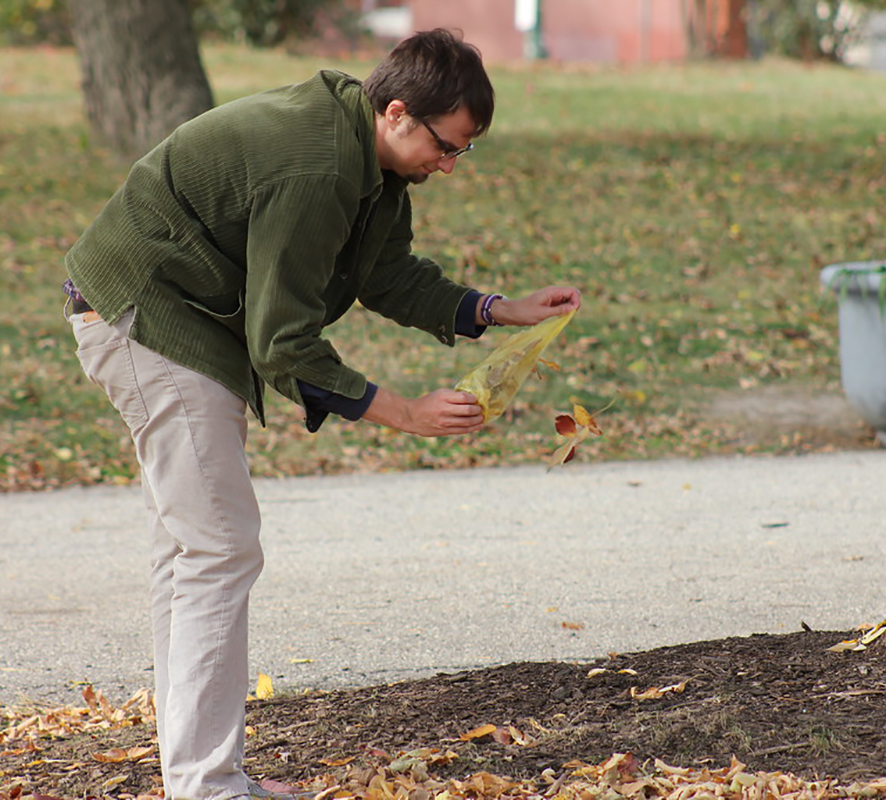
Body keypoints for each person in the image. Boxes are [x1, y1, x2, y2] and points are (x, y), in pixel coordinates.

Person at [62, 28, 580, 800]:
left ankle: (200, 778)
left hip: (184, 320)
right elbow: (282, 341)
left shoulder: (367, 158)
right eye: (448, 146)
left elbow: (388, 274)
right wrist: (402, 412)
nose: (449, 165)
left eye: (461, 153)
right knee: (220, 548)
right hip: (146, 316)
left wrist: (497, 310)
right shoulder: (314, 163)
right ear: (399, 112)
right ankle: (207, 786)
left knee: (193, 549)